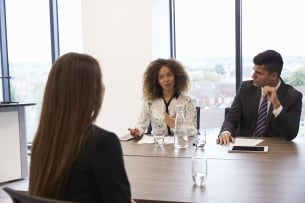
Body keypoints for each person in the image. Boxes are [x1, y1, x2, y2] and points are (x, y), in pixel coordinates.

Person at [29, 53, 133, 202]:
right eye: (99, 80)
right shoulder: (103, 143)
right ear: (88, 91)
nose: (104, 87)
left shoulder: (42, 142)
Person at [217, 50, 302, 145]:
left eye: (259, 73)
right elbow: (231, 120)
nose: (253, 76)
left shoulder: (293, 97)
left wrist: (276, 105)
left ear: (273, 75)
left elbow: (290, 135)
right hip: (244, 151)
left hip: (274, 153)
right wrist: (226, 132)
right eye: (254, 70)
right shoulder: (246, 88)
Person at [128, 58, 197, 138]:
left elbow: (192, 131)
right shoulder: (150, 102)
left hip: (180, 146)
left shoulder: (187, 101)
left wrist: (175, 125)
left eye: (169, 75)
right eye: (161, 77)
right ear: (157, 81)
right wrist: (137, 131)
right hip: (157, 146)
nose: (166, 80)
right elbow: (141, 124)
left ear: (176, 76)